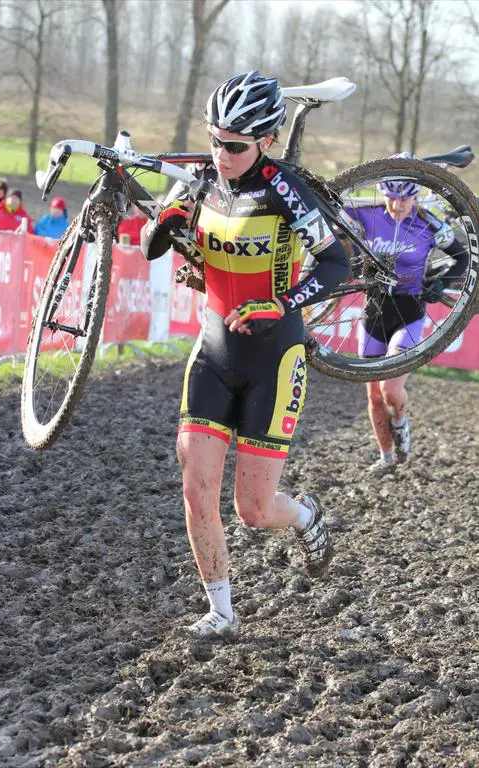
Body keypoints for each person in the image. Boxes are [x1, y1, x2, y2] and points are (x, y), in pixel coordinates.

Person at [141, 70, 351, 639]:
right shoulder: (200, 180)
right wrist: (165, 222)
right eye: (214, 139)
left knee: (254, 512)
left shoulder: (285, 189)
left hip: (274, 360)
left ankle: (305, 514)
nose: (221, 153)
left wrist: (281, 304)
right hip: (212, 350)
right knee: (194, 481)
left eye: (235, 145)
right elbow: (150, 247)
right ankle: (221, 610)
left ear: (266, 141)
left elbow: (338, 265)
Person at [344, 180, 468, 475]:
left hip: (410, 311)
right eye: (392, 198)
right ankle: (387, 458)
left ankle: (401, 423)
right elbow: (331, 208)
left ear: (415, 198)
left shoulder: (427, 221)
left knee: (390, 390)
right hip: (373, 313)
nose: (397, 205)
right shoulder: (369, 213)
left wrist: (442, 283)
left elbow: (462, 257)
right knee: (373, 396)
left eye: (404, 200)